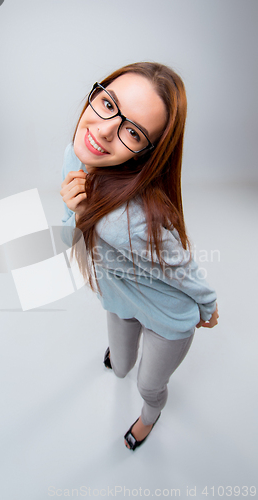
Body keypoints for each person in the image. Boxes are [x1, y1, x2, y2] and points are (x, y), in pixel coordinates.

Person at [60, 62, 218, 451]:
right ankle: (122, 354)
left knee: (148, 384)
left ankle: (150, 417)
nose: (102, 129)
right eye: (107, 103)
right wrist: (75, 213)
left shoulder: (125, 220)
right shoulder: (75, 155)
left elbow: (180, 266)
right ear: (96, 94)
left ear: (146, 152)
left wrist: (208, 304)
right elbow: (72, 242)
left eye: (132, 131)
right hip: (118, 297)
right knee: (122, 364)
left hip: (167, 316)